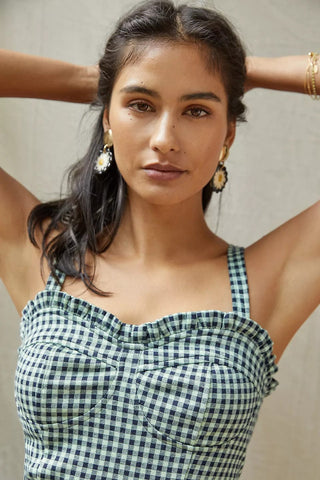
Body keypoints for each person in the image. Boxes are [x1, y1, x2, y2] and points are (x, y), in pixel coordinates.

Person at [0, 0, 319, 478]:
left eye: (196, 109)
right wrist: (100, 82)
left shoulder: (267, 283)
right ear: (108, 119)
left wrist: (237, 69)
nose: (165, 138)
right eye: (141, 106)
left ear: (228, 132)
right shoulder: (44, 255)